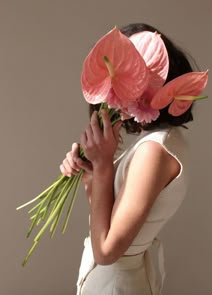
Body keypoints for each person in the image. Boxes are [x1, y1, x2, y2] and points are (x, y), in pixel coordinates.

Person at [60, 23, 197, 295]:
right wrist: (91, 174)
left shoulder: (154, 151)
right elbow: (109, 218)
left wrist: (102, 168)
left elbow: (107, 251)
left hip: (117, 284)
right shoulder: (159, 142)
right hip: (115, 281)